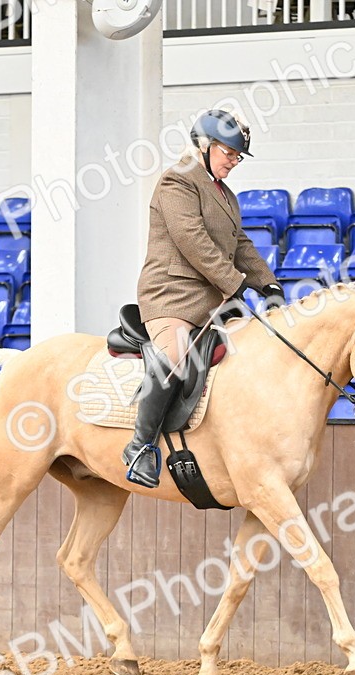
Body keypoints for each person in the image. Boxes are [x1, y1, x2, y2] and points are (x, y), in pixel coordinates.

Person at [122, 108, 286, 488]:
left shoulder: (226, 196)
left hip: (214, 301)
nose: (234, 162)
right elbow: (192, 239)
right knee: (176, 356)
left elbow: (240, 245)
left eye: (238, 156)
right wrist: (234, 283)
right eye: (229, 153)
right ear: (205, 145)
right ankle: (140, 447)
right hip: (173, 295)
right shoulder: (177, 180)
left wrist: (268, 285)